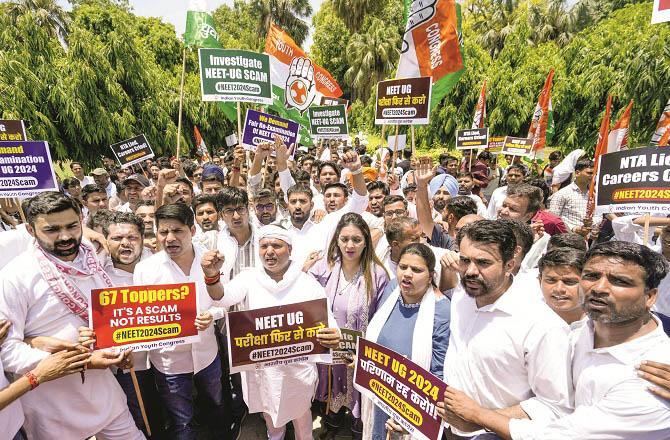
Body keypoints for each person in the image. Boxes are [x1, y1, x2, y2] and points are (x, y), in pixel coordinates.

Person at [443, 241, 670, 439]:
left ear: (650, 297)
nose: (599, 288)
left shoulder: (653, 377)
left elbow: (559, 435)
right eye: (591, 276)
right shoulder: (576, 333)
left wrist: (479, 416)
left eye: (619, 281)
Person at [0, 192, 142, 439]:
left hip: (104, 393)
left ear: (81, 221)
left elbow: (107, 318)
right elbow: (8, 352)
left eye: (72, 226)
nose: (65, 236)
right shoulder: (15, 277)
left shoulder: (92, 257)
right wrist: (83, 360)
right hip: (52, 407)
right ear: (30, 230)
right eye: (52, 230)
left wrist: (117, 347)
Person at [201, 224, 341, 440]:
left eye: (276, 245)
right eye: (264, 245)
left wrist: (333, 333)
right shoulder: (249, 277)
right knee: (270, 414)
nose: (269, 251)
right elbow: (222, 297)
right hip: (263, 369)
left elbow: (325, 316)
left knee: (301, 416)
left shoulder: (305, 281)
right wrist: (211, 276)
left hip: (297, 369)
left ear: (290, 249)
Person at [441, 220, 571, 438]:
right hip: (449, 431)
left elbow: (555, 407)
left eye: (483, 263)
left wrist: (480, 418)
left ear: (510, 265)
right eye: (465, 260)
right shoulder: (464, 295)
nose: (471, 271)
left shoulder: (542, 325)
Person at [133, 203, 228, 440]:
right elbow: (142, 318)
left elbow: (223, 302)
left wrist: (211, 316)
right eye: (163, 232)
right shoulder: (146, 270)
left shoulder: (210, 261)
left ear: (192, 230)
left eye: (178, 231)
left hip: (207, 355)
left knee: (216, 406)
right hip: (169, 362)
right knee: (182, 421)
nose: (170, 238)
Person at [305, 213, 390, 440]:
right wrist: (303, 269)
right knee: (333, 392)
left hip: (360, 350)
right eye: (344, 239)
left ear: (366, 241)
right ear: (336, 240)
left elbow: (382, 319)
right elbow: (303, 295)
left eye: (356, 239)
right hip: (329, 347)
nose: (350, 245)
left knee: (357, 395)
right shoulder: (324, 266)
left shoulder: (378, 274)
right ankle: (332, 421)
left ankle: (356, 425)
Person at [362, 243, 451, 440]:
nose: (407, 274)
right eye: (403, 267)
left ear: (431, 275)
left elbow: (438, 374)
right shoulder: (392, 289)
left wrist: (415, 418)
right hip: (379, 395)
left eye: (416, 270)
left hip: (414, 407)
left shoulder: (442, 311)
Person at [538, 247, 586, 326]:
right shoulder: (524, 321)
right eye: (551, 280)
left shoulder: (601, 327)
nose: (558, 289)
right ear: (540, 281)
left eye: (569, 282)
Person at [548, 159, 599, 235]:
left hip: (586, 241)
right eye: (589, 173)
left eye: (595, 173)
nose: (593, 176)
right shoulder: (562, 193)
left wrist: (592, 227)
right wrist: (573, 228)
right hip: (566, 240)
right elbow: (553, 219)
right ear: (578, 173)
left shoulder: (594, 195)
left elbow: (598, 215)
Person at [499, 183, 568, 236]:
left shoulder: (552, 223)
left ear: (528, 216)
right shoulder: (497, 225)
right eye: (504, 205)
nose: (503, 211)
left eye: (513, 209)